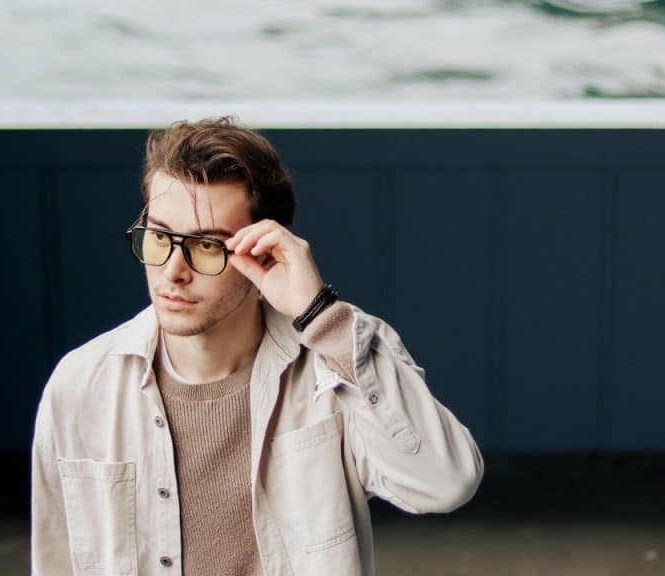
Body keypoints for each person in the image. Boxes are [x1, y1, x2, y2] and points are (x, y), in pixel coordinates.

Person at [31, 117, 483, 576]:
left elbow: (447, 483)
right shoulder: (80, 385)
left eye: (206, 245)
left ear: (265, 250)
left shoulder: (332, 365)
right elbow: (55, 559)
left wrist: (319, 313)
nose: (173, 271)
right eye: (161, 236)